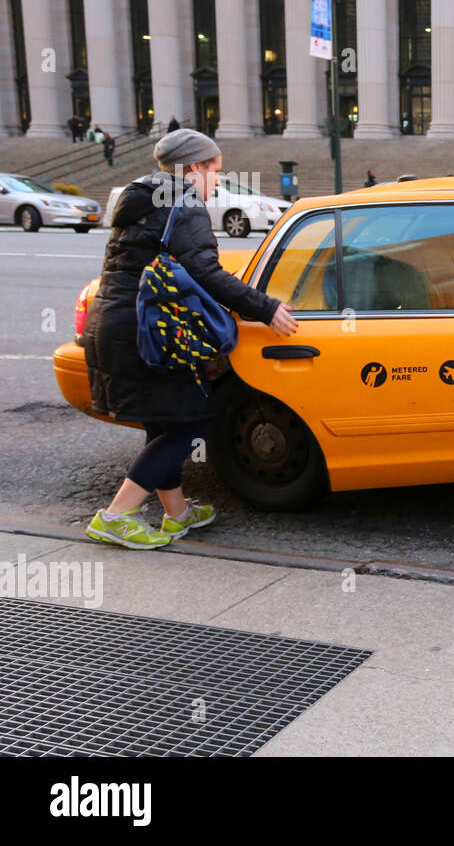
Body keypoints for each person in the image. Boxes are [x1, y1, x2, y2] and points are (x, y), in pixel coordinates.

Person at [81, 128, 299, 549]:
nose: (217, 180)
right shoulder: (184, 204)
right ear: (195, 167)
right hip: (146, 331)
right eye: (214, 171)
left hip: (114, 324)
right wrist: (266, 308)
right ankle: (116, 515)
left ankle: (176, 512)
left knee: (164, 422)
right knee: (196, 419)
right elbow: (206, 273)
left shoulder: (141, 197)